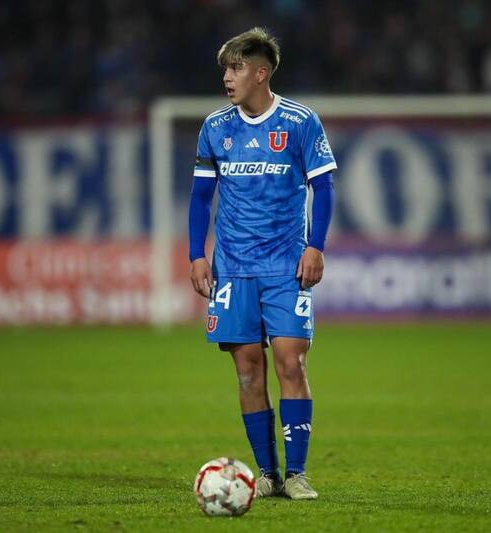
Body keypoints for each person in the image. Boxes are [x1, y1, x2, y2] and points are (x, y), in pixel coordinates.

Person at [187, 27, 336, 500]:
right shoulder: (215, 127)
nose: (227, 78)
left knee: (292, 364)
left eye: (235, 69)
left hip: (285, 267)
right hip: (232, 268)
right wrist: (196, 254)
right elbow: (200, 197)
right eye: (225, 69)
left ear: (260, 72)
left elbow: (324, 188)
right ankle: (266, 474)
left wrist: (316, 245)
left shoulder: (299, 121)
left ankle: (296, 473)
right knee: (249, 370)